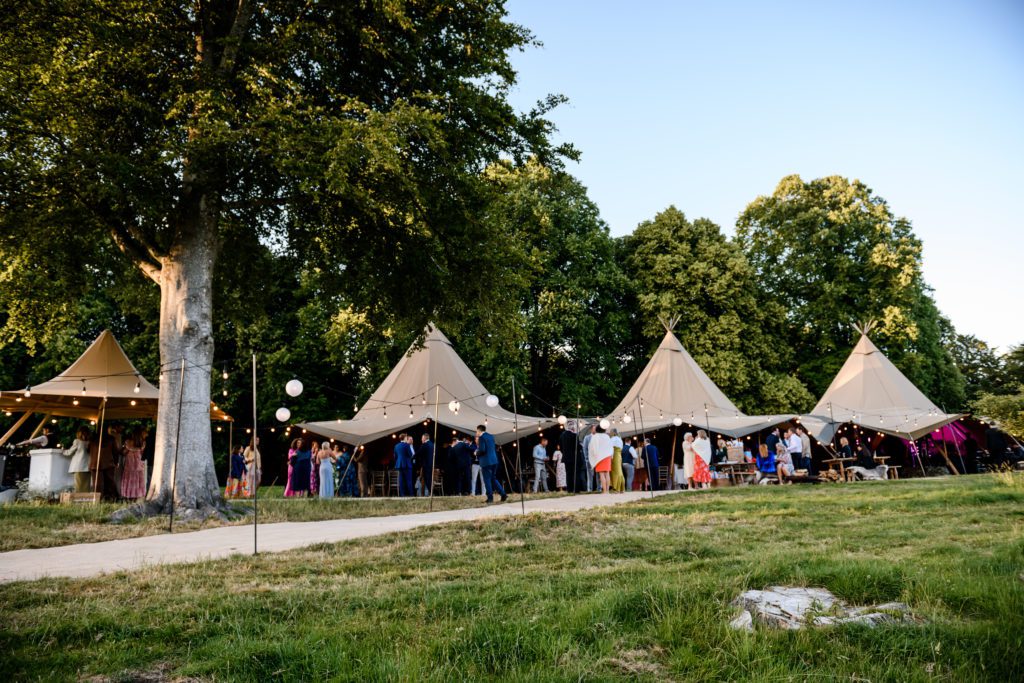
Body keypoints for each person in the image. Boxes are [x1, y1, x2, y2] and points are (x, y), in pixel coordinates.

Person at [475, 424, 507, 504]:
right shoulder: (491, 436)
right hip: (494, 460)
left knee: (487, 480)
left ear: (479, 431)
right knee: (493, 478)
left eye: (476, 431)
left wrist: (476, 453)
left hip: (486, 462)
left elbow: (482, 450)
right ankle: (503, 494)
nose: (476, 432)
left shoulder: (481, 438)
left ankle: (490, 498)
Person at [88, 432, 117, 500]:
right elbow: (115, 451)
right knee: (109, 482)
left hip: (95, 463)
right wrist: (116, 461)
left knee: (97, 484)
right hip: (108, 463)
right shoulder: (111, 438)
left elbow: (88, 449)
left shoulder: (92, 438)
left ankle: (99, 499)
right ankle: (111, 498)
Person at [63, 427, 91, 493]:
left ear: (79, 433)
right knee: (86, 486)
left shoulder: (77, 441)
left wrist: (63, 451)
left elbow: (69, 452)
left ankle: (78, 499)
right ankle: (86, 499)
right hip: (87, 467)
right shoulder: (89, 442)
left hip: (79, 467)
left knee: (78, 486)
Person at [588, 425, 613, 494]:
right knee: (607, 473)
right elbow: (611, 446)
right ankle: (607, 490)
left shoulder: (595, 436)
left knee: (601, 474)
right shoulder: (607, 436)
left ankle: (604, 491)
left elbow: (592, 447)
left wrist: (594, 456)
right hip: (607, 456)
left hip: (599, 457)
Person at [558, 421, 581, 493]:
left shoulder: (562, 435)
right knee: (575, 473)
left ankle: (569, 489)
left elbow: (560, 447)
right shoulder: (574, 435)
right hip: (574, 457)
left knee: (568, 473)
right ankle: (576, 489)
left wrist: (564, 453)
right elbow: (577, 447)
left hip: (566, 457)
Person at [581, 424, 595, 492]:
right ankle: (590, 489)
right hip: (589, 459)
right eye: (594, 428)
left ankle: (599, 488)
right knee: (589, 475)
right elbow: (585, 449)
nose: (595, 430)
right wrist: (586, 458)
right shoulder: (587, 437)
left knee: (598, 475)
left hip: (598, 459)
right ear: (591, 429)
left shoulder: (598, 437)